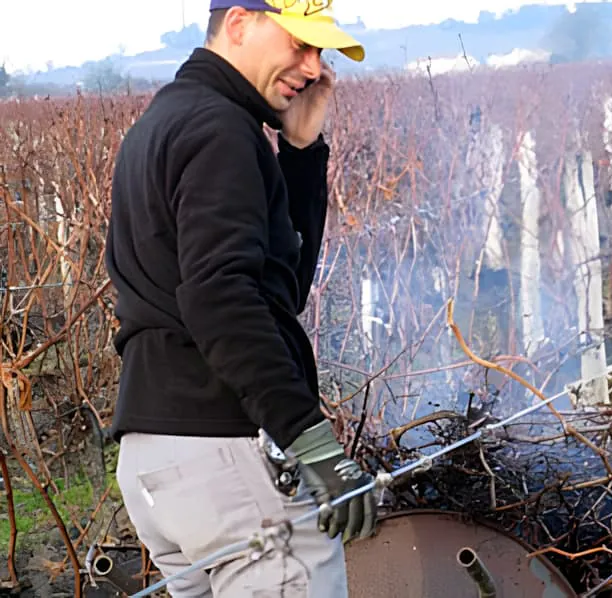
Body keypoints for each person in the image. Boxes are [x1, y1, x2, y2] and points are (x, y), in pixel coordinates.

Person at [104, 1, 377, 596]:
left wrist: (301, 153)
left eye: (320, 51)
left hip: (158, 465)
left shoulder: (169, 120)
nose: (312, 67)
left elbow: (280, 292)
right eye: (299, 44)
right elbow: (220, 296)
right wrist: (309, 437)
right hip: (227, 461)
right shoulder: (220, 130)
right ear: (238, 23)